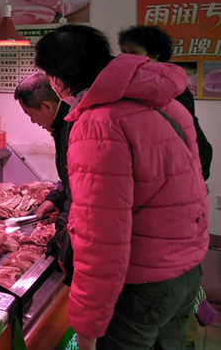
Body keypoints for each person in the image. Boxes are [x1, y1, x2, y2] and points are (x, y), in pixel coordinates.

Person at [35, 24, 208, 350]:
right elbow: (195, 183)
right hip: (185, 270)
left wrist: (87, 328)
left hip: (142, 285)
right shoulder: (164, 103)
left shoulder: (98, 124)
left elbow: (100, 236)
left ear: (58, 79)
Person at [118, 25, 213, 180]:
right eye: (124, 52)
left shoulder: (170, 88)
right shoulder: (129, 85)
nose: (127, 58)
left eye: (134, 52)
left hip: (174, 170)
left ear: (155, 54)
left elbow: (188, 134)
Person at [14, 73, 74, 284]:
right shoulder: (63, 125)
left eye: (31, 114)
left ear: (47, 107)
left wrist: (60, 235)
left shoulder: (73, 127)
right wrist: (55, 198)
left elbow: (81, 194)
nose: (32, 121)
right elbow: (70, 178)